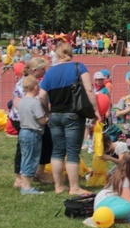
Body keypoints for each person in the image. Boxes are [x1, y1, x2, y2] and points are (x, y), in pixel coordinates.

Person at [38, 42, 100, 195]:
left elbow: (42, 96)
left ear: (58, 56)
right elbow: (89, 90)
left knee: (57, 151)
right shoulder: (79, 67)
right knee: (72, 151)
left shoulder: (50, 73)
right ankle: (74, 187)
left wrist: (47, 111)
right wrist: (96, 110)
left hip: (54, 115)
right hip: (73, 114)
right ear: (71, 54)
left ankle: (58, 186)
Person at [11, 57, 51, 189]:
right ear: (35, 70)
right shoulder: (23, 83)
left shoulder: (37, 82)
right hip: (22, 119)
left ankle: (38, 172)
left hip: (36, 117)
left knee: (46, 141)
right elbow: (17, 104)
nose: (45, 71)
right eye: (42, 69)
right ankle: (19, 178)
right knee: (24, 147)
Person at [17, 76, 49, 195]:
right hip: (33, 133)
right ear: (35, 87)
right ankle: (26, 187)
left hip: (23, 131)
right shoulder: (35, 103)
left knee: (25, 157)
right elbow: (41, 120)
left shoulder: (21, 101)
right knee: (31, 159)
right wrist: (47, 118)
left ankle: (24, 184)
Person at [94, 151, 130, 222]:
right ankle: (101, 216)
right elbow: (129, 200)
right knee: (128, 207)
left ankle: (118, 219)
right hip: (105, 201)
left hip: (120, 204)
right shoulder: (124, 178)